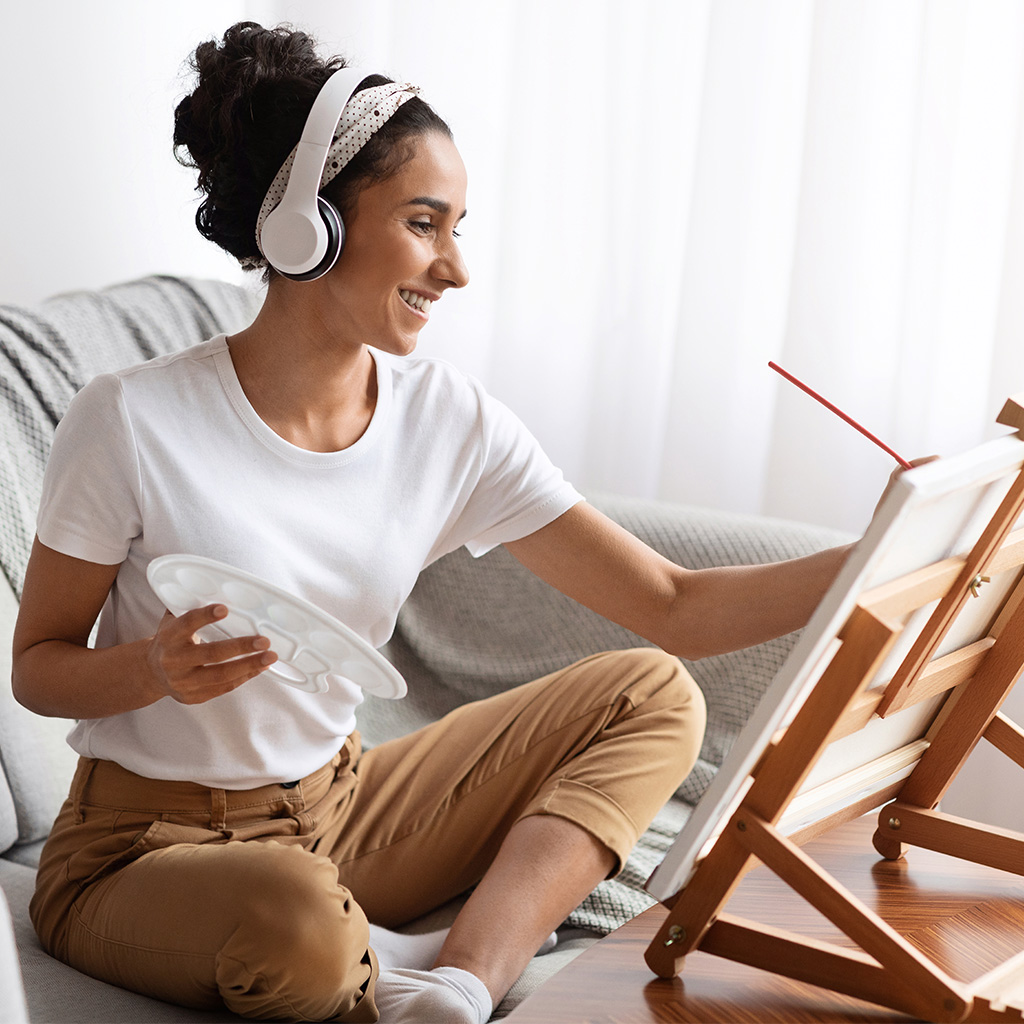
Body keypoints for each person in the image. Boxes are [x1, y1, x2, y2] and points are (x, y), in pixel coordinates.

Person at [12, 21, 858, 1024]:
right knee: (300, 926)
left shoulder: (447, 421)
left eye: (459, 229)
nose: (453, 268)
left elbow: (672, 606)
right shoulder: (133, 418)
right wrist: (153, 667)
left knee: (653, 694)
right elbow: (37, 665)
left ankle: (458, 982)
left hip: (337, 809)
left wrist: (892, 543)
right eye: (425, 223)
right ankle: (355, 948)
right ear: (308, 224)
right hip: (139, 850)